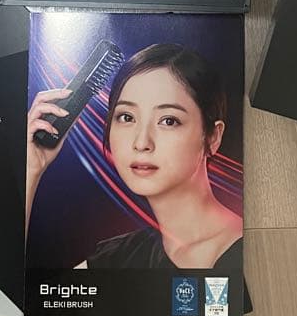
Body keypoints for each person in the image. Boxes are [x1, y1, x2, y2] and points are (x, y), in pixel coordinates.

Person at [25, 43, 242, 270]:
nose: (141, 143)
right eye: (127, 117)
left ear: (212, 137)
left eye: (168, 121)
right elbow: (15, 289)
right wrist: (31, 169)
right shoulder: (119, 258)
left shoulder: (243, 251)